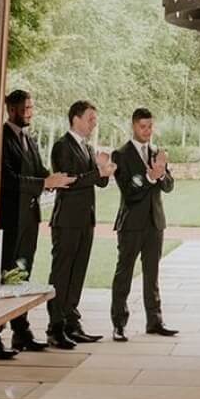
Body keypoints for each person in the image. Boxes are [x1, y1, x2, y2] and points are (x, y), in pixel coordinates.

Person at [0, 90, 74, 359]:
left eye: (31, 107)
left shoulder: (28, 138)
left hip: (29, 219)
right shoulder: (2, 138)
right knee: (5, 274)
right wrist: (44, 183)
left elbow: (38, 170)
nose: (30, 112)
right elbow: (7, 179)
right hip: (10, 219)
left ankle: (21, 331)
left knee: (23, 273)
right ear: (12, 110)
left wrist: (56, 179)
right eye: (26, 108)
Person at [47, 101, 116, 349]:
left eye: (95, 119)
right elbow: (68, 180)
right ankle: (55, 328)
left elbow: (100, 182)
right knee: (62, 274)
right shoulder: (61, 146)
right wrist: (98, 173)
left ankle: (72, 324)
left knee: (77, 273)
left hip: (86, 220)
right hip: (67, 221)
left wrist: (102, 168)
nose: (94, 124)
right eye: (90, 119)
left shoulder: (87, 147)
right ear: (75, 119)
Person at [110, 108, 178, 342]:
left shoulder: (157, 152)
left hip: (155, 223)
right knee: (124, 274)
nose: (148, 131)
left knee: (152, 275)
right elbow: (129, 191)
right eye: (143, 127)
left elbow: (169, 186)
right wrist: (150, 178)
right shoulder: (120, 155)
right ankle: (119, 325)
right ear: (133, 126)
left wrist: (161, 175)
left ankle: (155, 321)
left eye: (150, 126)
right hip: (131, 224)